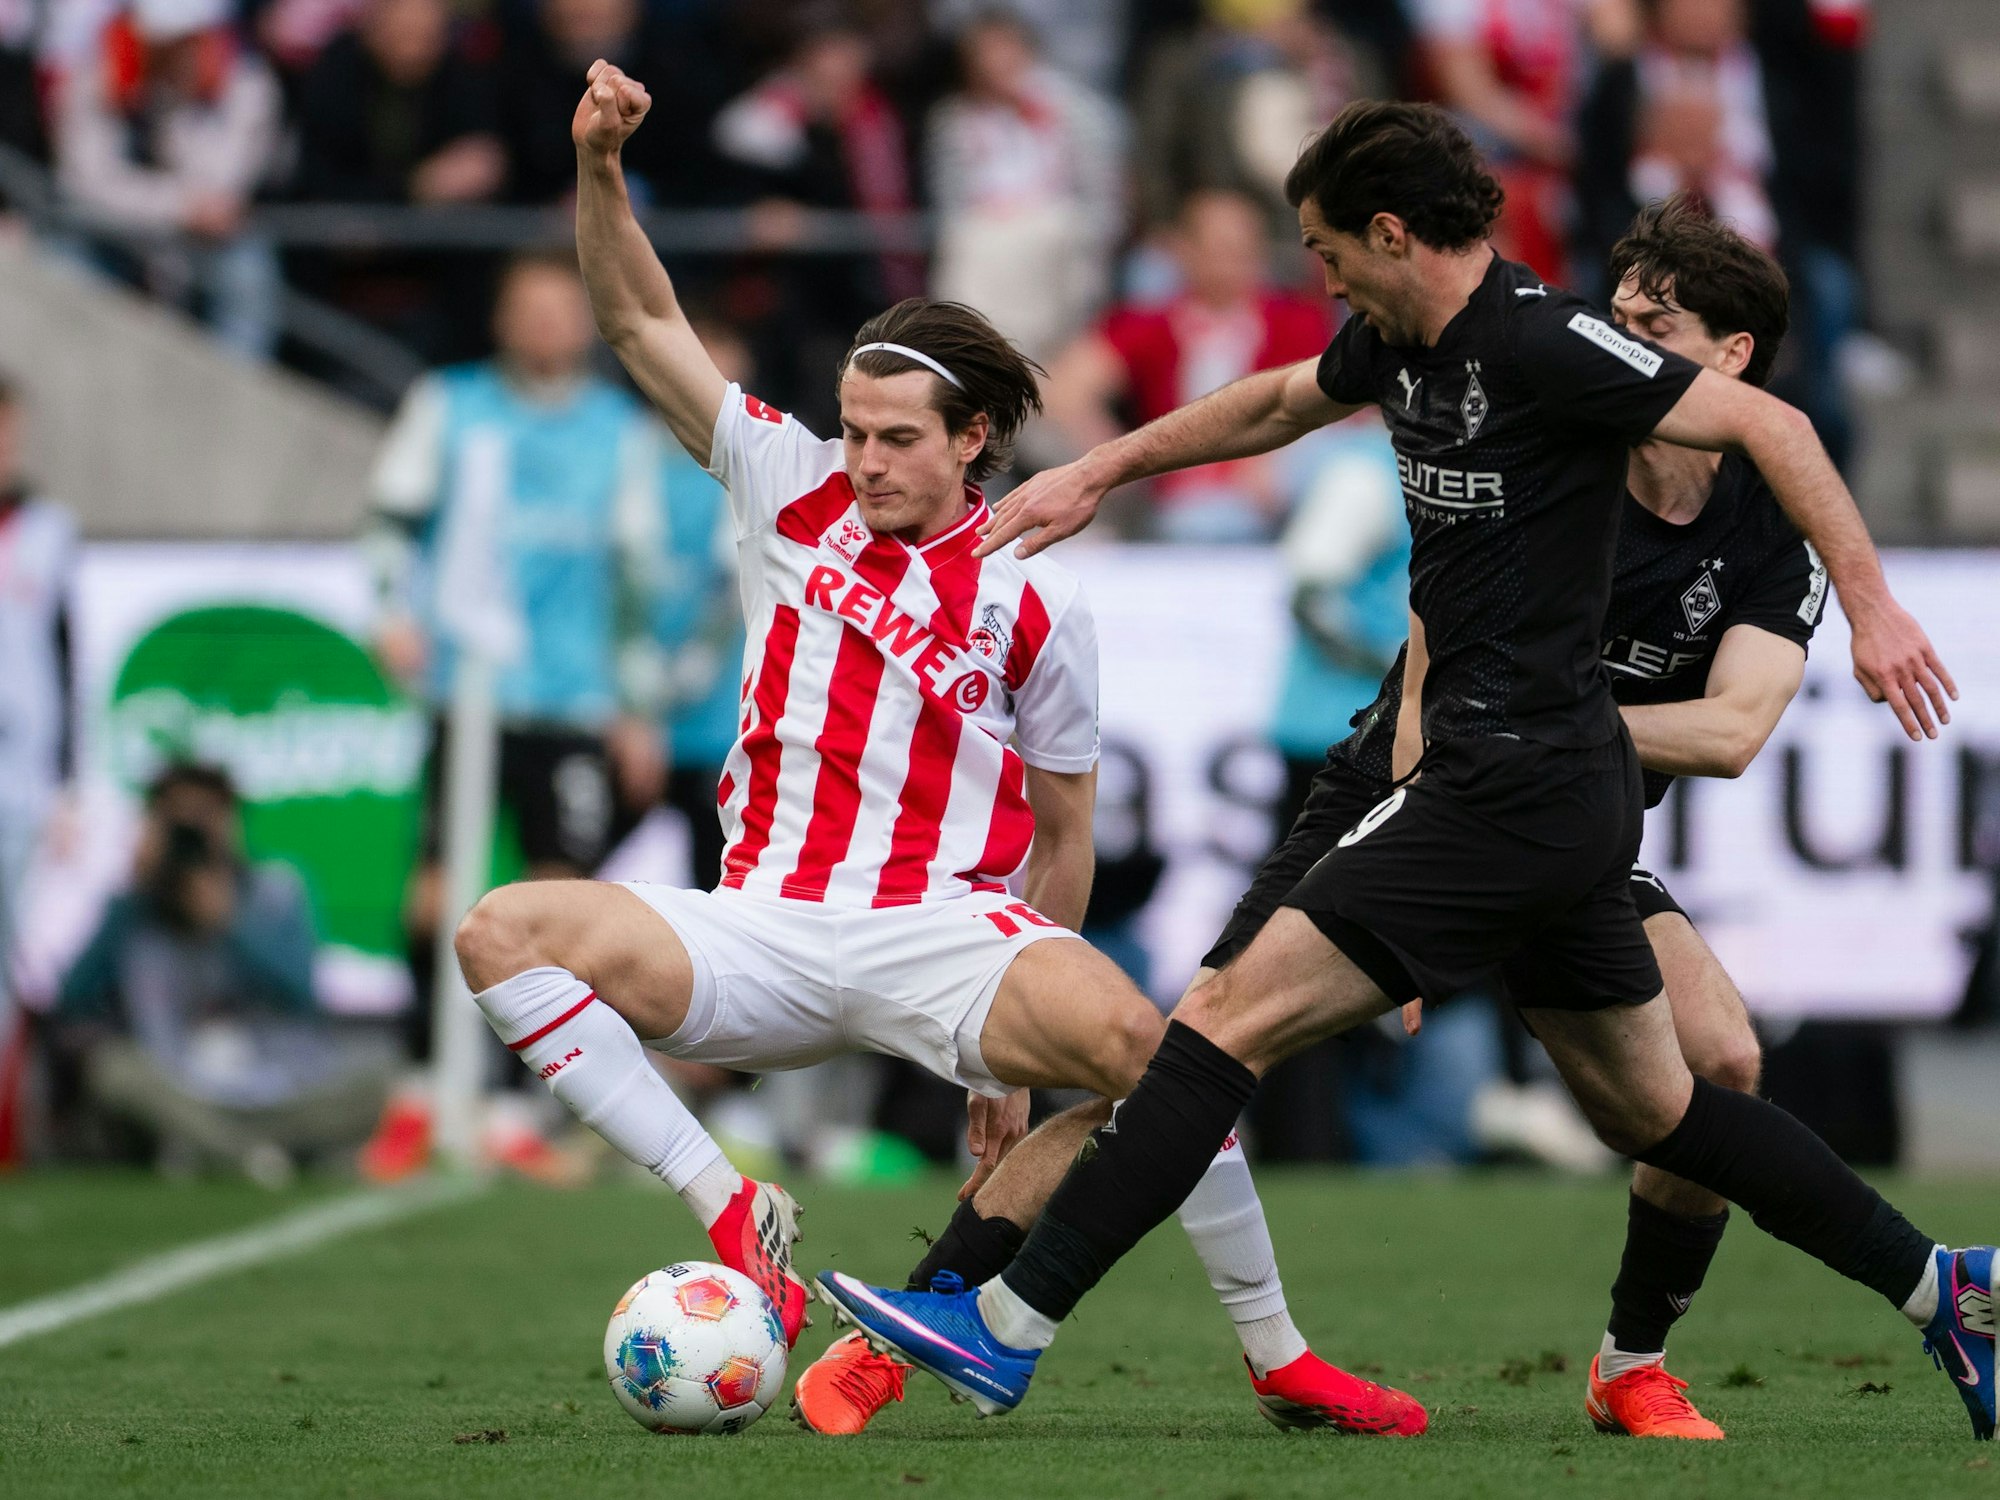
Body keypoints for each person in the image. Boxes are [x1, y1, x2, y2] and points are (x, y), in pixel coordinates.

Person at [816, 102, 1991, 1449]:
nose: (1314, 281)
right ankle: (1938, 1285)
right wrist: (1105, 466)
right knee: (1663, 1106)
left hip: (1510, 784)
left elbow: (1777, 436)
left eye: (1323, 249)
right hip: (1512, 789)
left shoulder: (1551, 347)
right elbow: (1273, 402)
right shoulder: (1401, 344)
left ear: (1388, 233)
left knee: (1213, 1029)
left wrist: (1878, 608)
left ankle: (1000, 1328)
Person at [450, 59, 1425, 1439]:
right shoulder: (785, 491)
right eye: (851, 430)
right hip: (763, 927)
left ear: (975, 441)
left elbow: (1066, 826)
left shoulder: (1034, 593)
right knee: (502, 931)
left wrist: (1011, 1061)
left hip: (944, 937)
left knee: (1169, 1056)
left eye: (896, 438)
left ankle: (1279, 1358)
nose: (862, 460)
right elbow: (639, 319)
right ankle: (731, 1205)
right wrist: (601, 169)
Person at [1232, 195, 1824, 1437]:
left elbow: (1729, 733)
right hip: (1434, 797)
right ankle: (972, 1299)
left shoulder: (1773, 519)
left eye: (1652, 325)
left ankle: (1630, 1365)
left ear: (1731, 360)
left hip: (1569, 836)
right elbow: (1433, 632)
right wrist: (1417, 819)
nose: (1616, 343)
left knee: (1720, 1063)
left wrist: (1538, 735)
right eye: (1612, 318)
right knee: (1186, 1046)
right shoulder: (1559, 439)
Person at [357, 252, 669, 1180]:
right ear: (501, 318)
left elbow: (636, 582)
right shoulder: (448, 404)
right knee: (435, 890)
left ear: (585, 320)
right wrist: (390, 612)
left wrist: (638, 706)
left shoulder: (621, 432)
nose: (544, 324)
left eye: (560, 308)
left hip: (570, 701)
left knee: (555, 903)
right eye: (527, 307)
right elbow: (387, 520)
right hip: (468, 693)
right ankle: (418, 1087)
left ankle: (515, 1103)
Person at [52, 765, 385, 1186]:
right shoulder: (136, 907)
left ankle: (209, 1148)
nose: (193, 833)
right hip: (177, 1086)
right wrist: (134, 895)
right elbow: (71, 998)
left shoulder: (275, 891)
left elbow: (303, 999)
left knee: (379, 1080)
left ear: (230, 822)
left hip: (278, 1086)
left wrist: (231, 925)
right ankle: (248, 1155)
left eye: (205, 817)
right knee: (113, 1072)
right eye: (178, 820)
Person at [1040, 189, 1332, 541]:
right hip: (1190, 499)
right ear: (1184, 251)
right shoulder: (1151, 324)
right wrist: (1116, 465)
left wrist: (1280, 458)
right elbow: (1063, 391)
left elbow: (1341, 409)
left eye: (1245, 249)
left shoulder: (1296, 321)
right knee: (1202, 522)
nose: (1236, 262)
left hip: (1281, 486)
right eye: (1221, 249)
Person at [52, 0, 285, 358]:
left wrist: (175, 110)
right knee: (67, 249)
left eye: (180, 41)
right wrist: (175, 204)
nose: (164, 53)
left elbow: (217, 195)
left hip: (197, 246)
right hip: (117, 236)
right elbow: (86, 182)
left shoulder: (247, 86)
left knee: (247, 270)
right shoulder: (99, 69)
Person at [0, 376, 78, 1164]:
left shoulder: (47, 530)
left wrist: (68, 781)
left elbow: (65, 654)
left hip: (16, 778)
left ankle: (7, 1129)